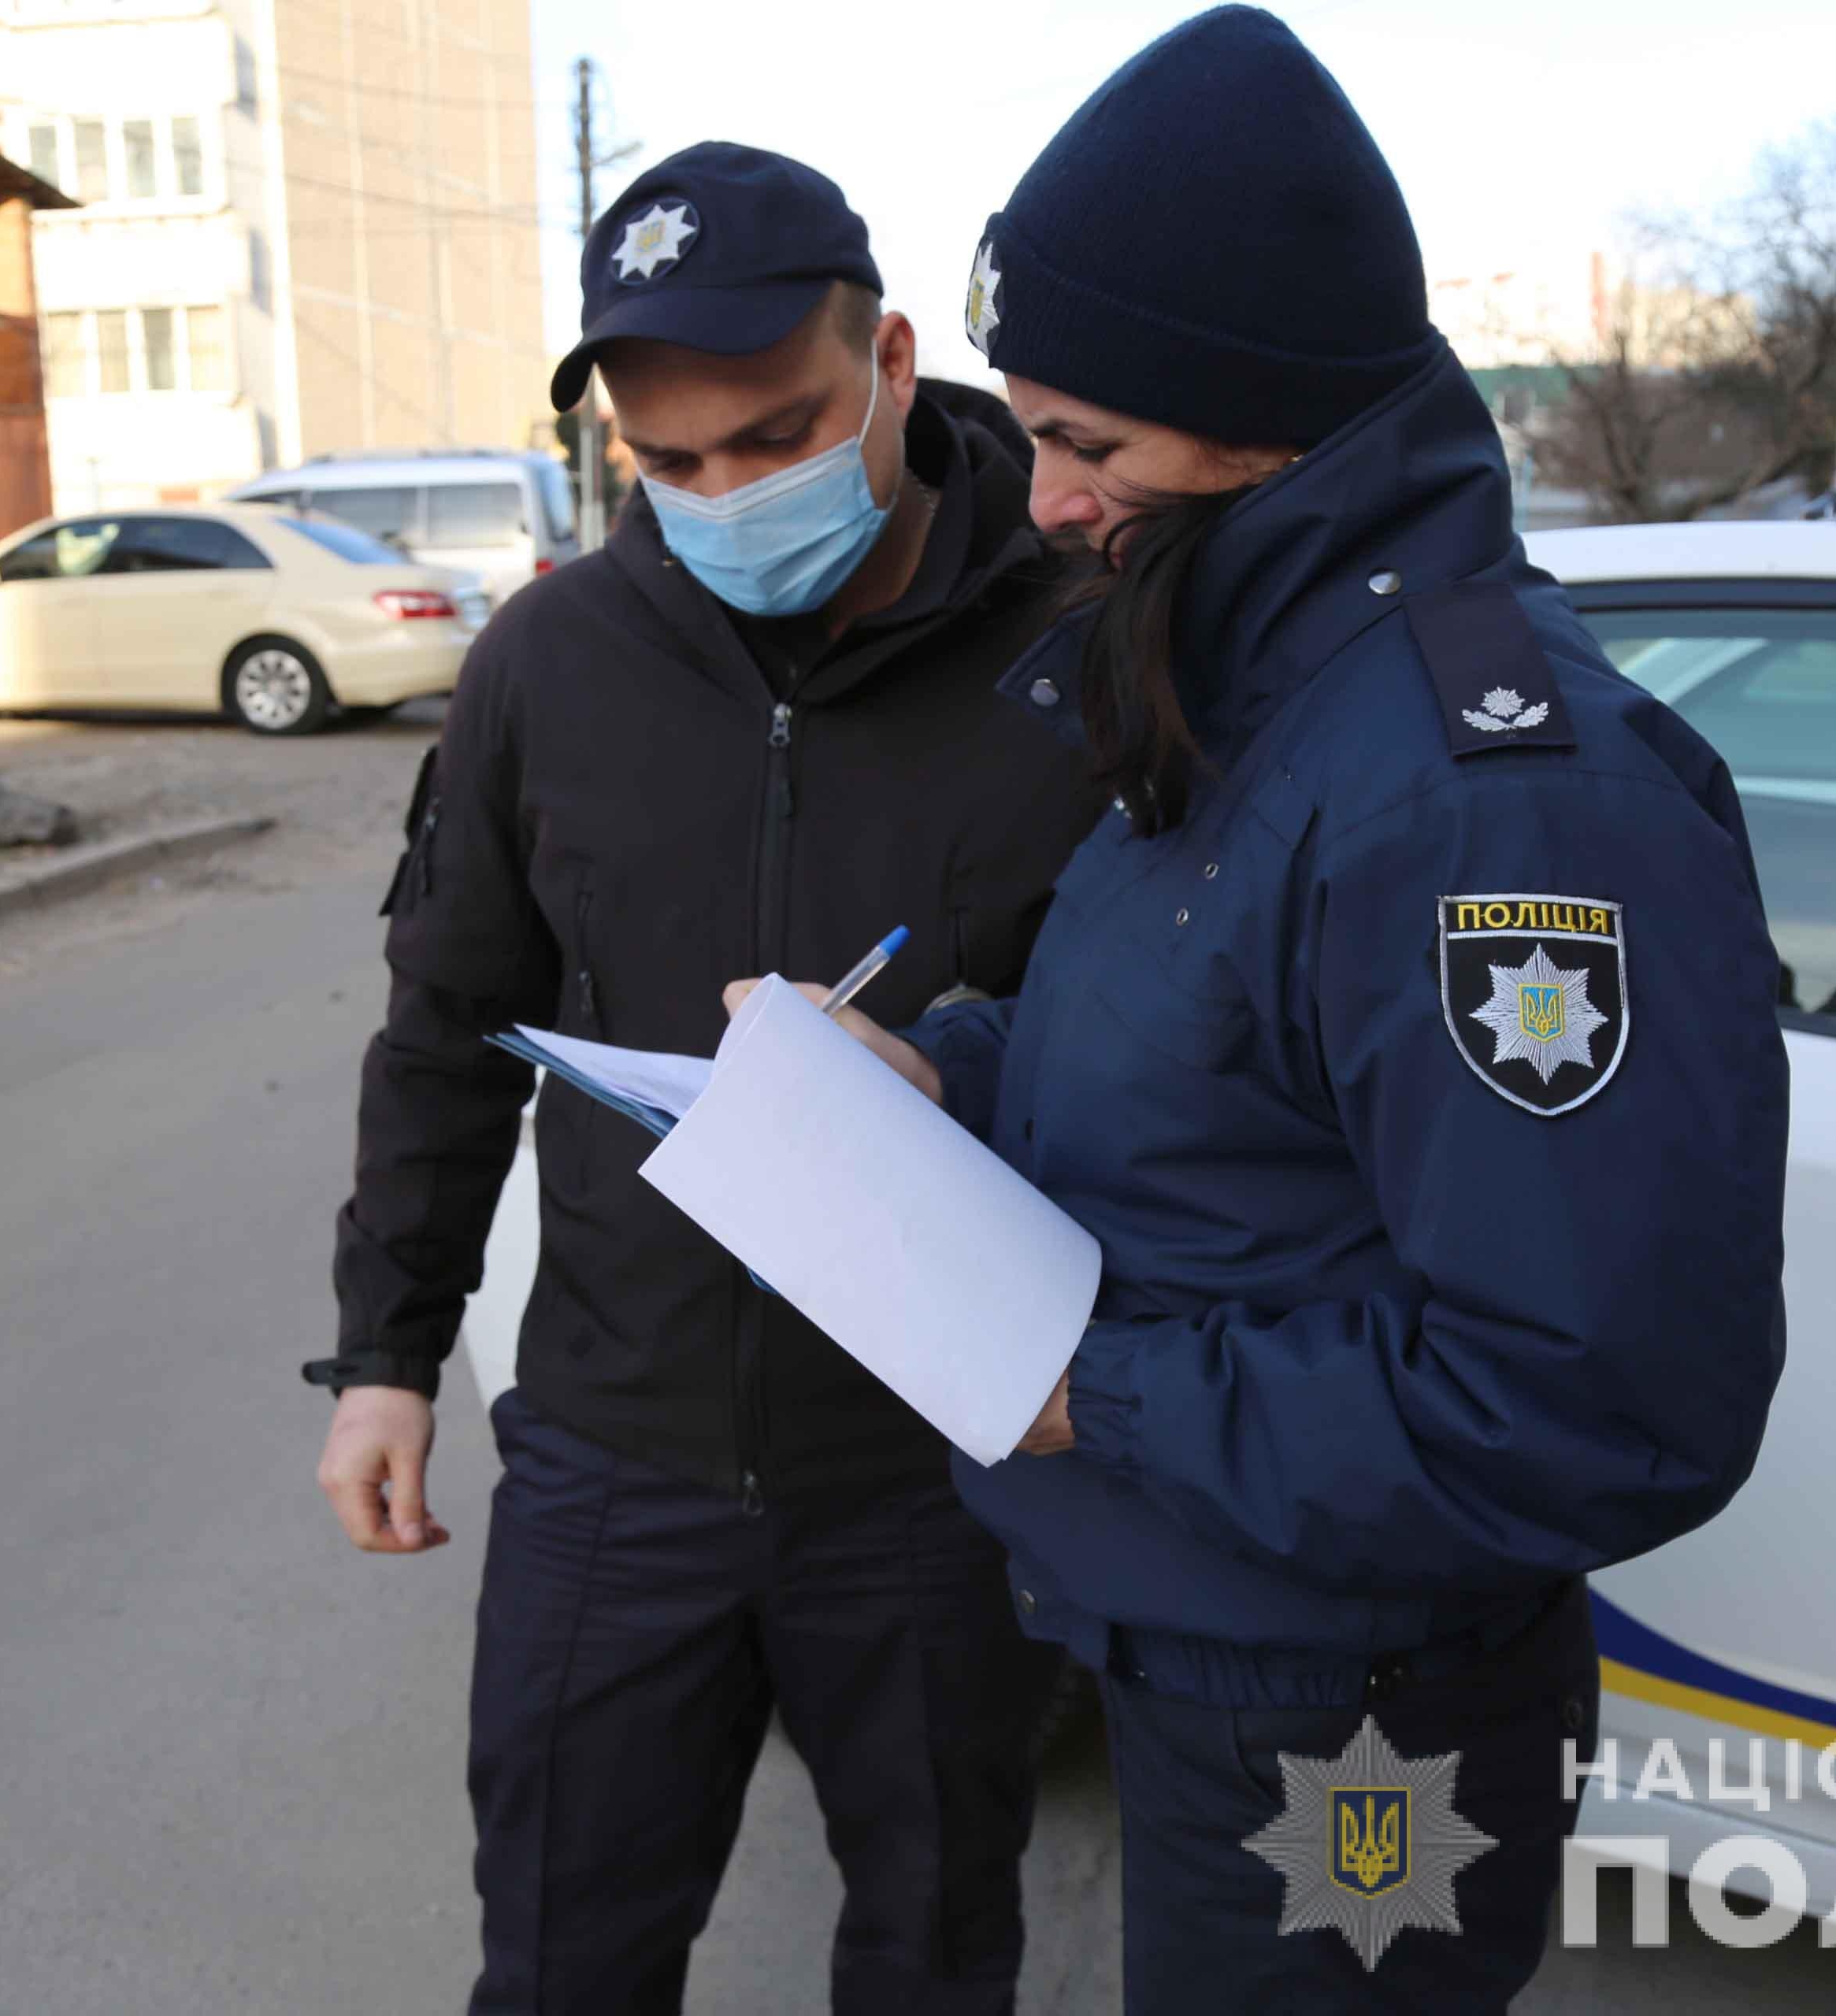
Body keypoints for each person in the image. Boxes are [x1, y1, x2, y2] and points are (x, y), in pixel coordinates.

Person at [762, 11, 1791, 2010]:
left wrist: (1099, 1394)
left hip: (1355, 1725)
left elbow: (1591, 1404)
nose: (1047, 499)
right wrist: (934, 1075)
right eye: (1033, 427)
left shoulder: (1496, 805)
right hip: (1228, 1652)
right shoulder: (1261, 688)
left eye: (1091, 443)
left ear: (1267, 424)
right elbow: (1218, 1076)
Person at [307, 142, 1101, 2016]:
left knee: (934, 1944)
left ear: (893, 360)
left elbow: (1176, 1050)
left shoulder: (1083, 645)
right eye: (670, 465)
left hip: (938, 1464)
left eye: (776, 435)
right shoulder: (550, 662)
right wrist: (384, 1357)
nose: (726, 496)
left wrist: (957, 1070)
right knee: (567, 1954)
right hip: (614, 1459)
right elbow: (442, 1031)